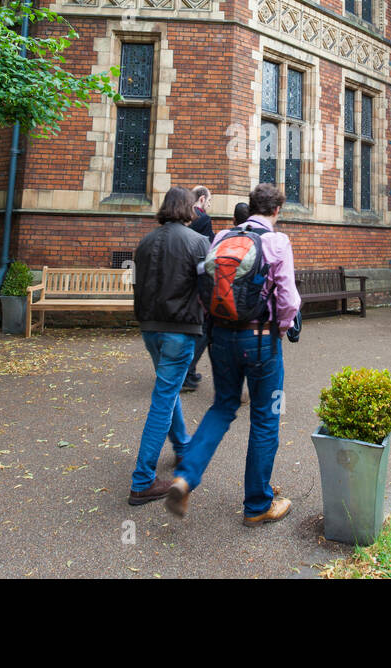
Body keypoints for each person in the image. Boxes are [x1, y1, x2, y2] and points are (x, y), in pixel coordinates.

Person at [166, 183, 300, 527]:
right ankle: (257, 503)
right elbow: (288, 301)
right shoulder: (276, 242)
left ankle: (185, 477)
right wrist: (280, 331)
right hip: (261, 342)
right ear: (276, 211)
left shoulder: (222, 236)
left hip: (221, 338)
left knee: (223, 406)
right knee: (266, 417)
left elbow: (205, 289)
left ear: (251, 206)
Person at [127, 187, 209, 506]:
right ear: (189, 209)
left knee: (167, 388)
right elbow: (210, 288)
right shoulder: (198, 242)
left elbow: (137, 286)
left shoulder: (145, 242)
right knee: (163, 397)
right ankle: (143, 479)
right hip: (179, 329)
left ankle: (184, 446)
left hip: (150, 328)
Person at [182, 186, 215, 393]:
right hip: (198, 283)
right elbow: (207, 249)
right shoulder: (203, 220)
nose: (209, 206)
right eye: (209, 202)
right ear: (202, 199)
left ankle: (185, 371)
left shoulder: (183, 216)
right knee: (203, 330)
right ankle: (187, 372)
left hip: (181, 282)